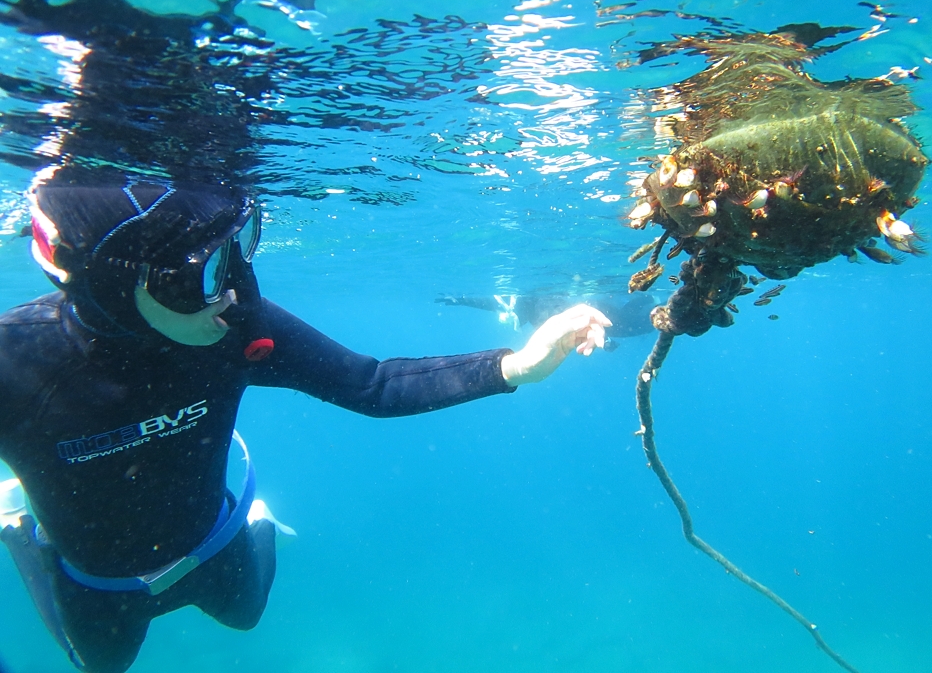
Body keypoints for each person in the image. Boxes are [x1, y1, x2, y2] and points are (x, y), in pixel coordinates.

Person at [0, 181, 610, 673]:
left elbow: (371, 385)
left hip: (214, 540)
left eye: (243, 246)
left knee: (246, 615)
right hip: (99, 585)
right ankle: (18, 527)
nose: (238, 292)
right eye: (208, 271)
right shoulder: (15, 366)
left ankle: (256, 519)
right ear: (115, 281)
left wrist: (517, 366)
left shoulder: (228, 328)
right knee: (96, 665)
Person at [436, 291, 655, 349]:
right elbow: (492, 304)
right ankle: (653, 304)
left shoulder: (538, 308)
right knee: (632, 324)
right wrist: (461, 300)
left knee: (632, 324)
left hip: (597, 314)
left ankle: (653, 301)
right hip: (598, 317)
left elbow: (566, 316)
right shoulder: (528, 310)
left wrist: (602, 340)